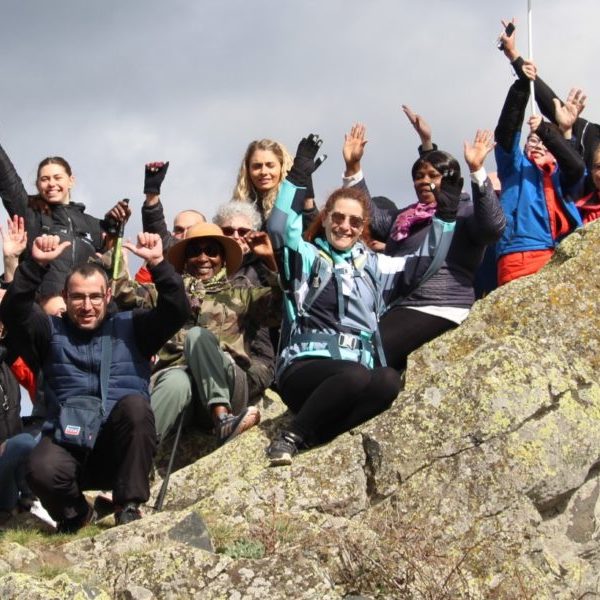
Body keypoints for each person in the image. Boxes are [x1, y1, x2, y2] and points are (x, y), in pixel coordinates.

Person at [266, 134, 460, 466]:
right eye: (338, 218)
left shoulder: (374, 265)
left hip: (355, 372)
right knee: (355, 374)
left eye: (355, 222)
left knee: (386, 381)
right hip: (305, 369)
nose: (345, 226)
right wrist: (299, 172)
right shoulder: (307, 257)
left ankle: (322, 435)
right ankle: (291, 436)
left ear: (362, 227)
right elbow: (281, 227)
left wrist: (448, 211)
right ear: (326, 219)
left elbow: (426, 263)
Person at [0, 231, 190, 533]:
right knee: (39, 467)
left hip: (119, 449)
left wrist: (158, 264)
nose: (86, 306)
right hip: (70, 444)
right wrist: (34, 265)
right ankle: (75, 514)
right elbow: (13, 312)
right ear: (65, 297)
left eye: (94, 297)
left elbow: (177, 310)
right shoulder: (49, 332)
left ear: (108, 297)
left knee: (136, 407)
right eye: (77, 297)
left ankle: (127, 506)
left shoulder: (134, 326)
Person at [342, 122, 505, 372]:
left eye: (433, 176)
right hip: (399, 304)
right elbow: (371, 216)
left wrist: (477, 171)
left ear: (450, 181)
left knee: (369, 352)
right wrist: (353, 167)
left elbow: (493, 227)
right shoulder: (405, 217)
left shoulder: (464, 212)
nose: (424, 181)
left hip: (440, 304)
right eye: (419, 176)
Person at [147, 222, 280, 447]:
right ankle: (138, 458)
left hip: (229, 384)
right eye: (194, 251)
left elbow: (281, 306)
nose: (203, 258)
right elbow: (119, 294)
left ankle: (222, 416)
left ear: (223, 258)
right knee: (175, 382)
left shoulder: (242, 293)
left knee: (198, 336)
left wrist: (271, 262)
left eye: (211, 251)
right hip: (184, 391)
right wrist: (115, 241)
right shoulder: (168, 294)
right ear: (185, 259)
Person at [495, 22, 585, 285]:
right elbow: (506, 131)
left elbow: (576, 166)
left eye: (543, 142)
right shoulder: (513, 168)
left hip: (558, 254)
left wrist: (546, 131)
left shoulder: (561, 176)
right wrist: (523, 84)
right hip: (518, 254)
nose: (536, 143)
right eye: (530, 140)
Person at [0, 141, 127, 296]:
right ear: (38, 185)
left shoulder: (93, 225)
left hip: (83, 310)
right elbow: (8, 181)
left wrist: (114, 227)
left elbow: (111, 269)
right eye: (45, 179)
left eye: (57, 177)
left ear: (71, 181)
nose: (51, 183)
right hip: (43, 311)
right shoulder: (30, 214)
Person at [232, 139, 319, 230]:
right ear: (248, 170)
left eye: (270, 165)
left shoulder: (294, 203)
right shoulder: (238, 207)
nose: (263, 172)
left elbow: (314, 236)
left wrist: (307, 201)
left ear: (282, 168)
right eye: (257, 166)